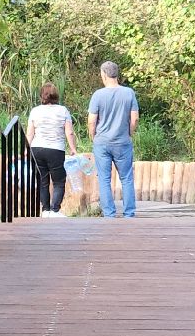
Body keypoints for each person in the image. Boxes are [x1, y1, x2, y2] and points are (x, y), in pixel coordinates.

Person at [85, 60, 138, 218]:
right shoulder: (129, 93)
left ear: (104, 74)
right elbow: (134, 119)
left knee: (104, 179)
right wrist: (129, 133)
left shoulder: (98, 95)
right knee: (127, 178)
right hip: (123, 142)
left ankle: (109, 214)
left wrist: (93, 136)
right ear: (116, 74)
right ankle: (129, 213)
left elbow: (91, 120)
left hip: (102, 142)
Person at [25, 83, 78, 216]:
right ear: (56, 94)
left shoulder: (35, 111)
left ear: (42, 95)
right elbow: (69, 132)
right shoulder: (63, 110)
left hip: (37, 149)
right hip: (56, 149)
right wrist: (73, 149)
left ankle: (45, 210)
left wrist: (26, 148)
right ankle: (55, 210)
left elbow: (30, 133)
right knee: (59, 181)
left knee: (42, 181)